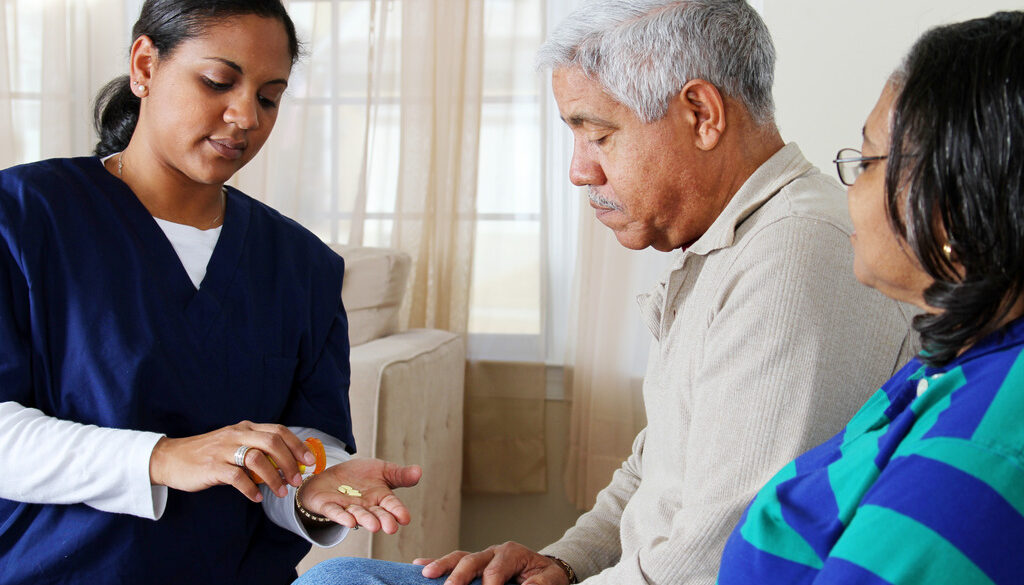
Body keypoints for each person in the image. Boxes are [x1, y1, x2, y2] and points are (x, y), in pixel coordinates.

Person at [294, 1, 917, 584]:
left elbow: (719, 556)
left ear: (701, 114)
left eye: (597, 134)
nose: (578, 170)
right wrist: (560, 564)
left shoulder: (795, 254)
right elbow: (655, 474)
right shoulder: (729, 246)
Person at [0, 1, 421, 584]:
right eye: (218, 82)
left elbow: (303, 445)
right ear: (144, 66)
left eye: (270, 97)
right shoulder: (21, 219)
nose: (246, 115)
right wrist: (163, 457)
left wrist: (310, 484)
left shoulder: (304, 265)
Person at [716, 10, 1024, 584]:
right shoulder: (949, 363)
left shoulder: (985, 446)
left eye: (865, 161)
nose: (849, 187)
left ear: (953, 200)